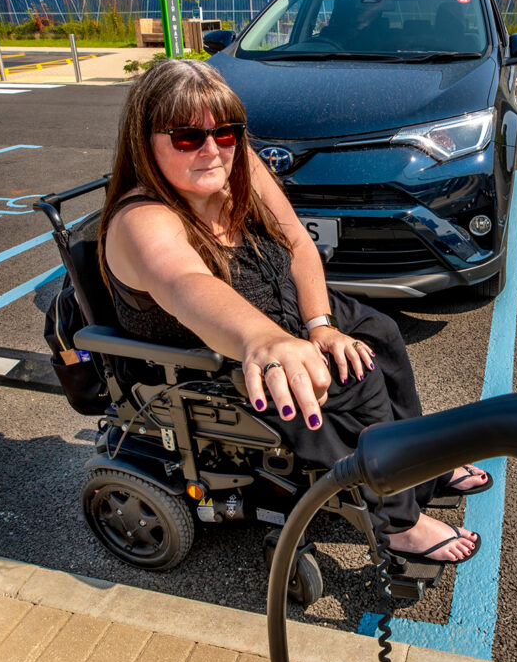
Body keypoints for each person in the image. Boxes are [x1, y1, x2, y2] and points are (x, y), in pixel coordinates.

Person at [97, 58, 492, 564]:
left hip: (286, 311)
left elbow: (299, 244)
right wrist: (265, 340)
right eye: (186, 137)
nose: (212, 149)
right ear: (145, 140)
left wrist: (319, 325)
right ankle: (398, 521)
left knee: (380, 333)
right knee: (358, 377)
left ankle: (421, 467)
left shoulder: (237, 165)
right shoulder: (142, 220)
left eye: (226, 132)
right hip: (214, 360)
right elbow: (184, 283)